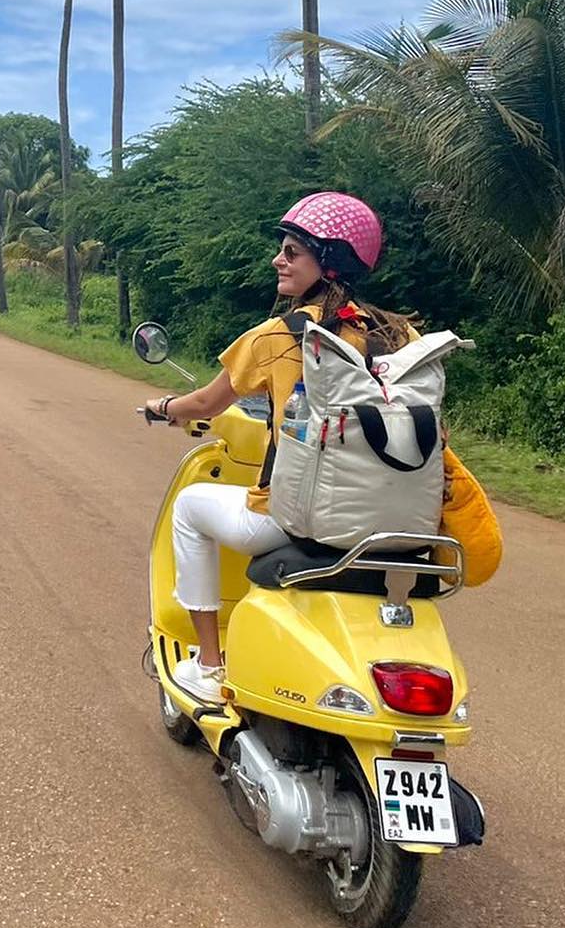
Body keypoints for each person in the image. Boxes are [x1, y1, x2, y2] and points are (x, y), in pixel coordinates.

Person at [144, 192, 415, 705]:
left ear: (328, 262)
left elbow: (207, 402)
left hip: (296, 517)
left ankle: (207, 663)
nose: (278, 260)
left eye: (292, 251)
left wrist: (163, 406)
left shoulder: (279, 336)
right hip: (390, 521)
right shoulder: (396, 332)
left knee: (189, 507)